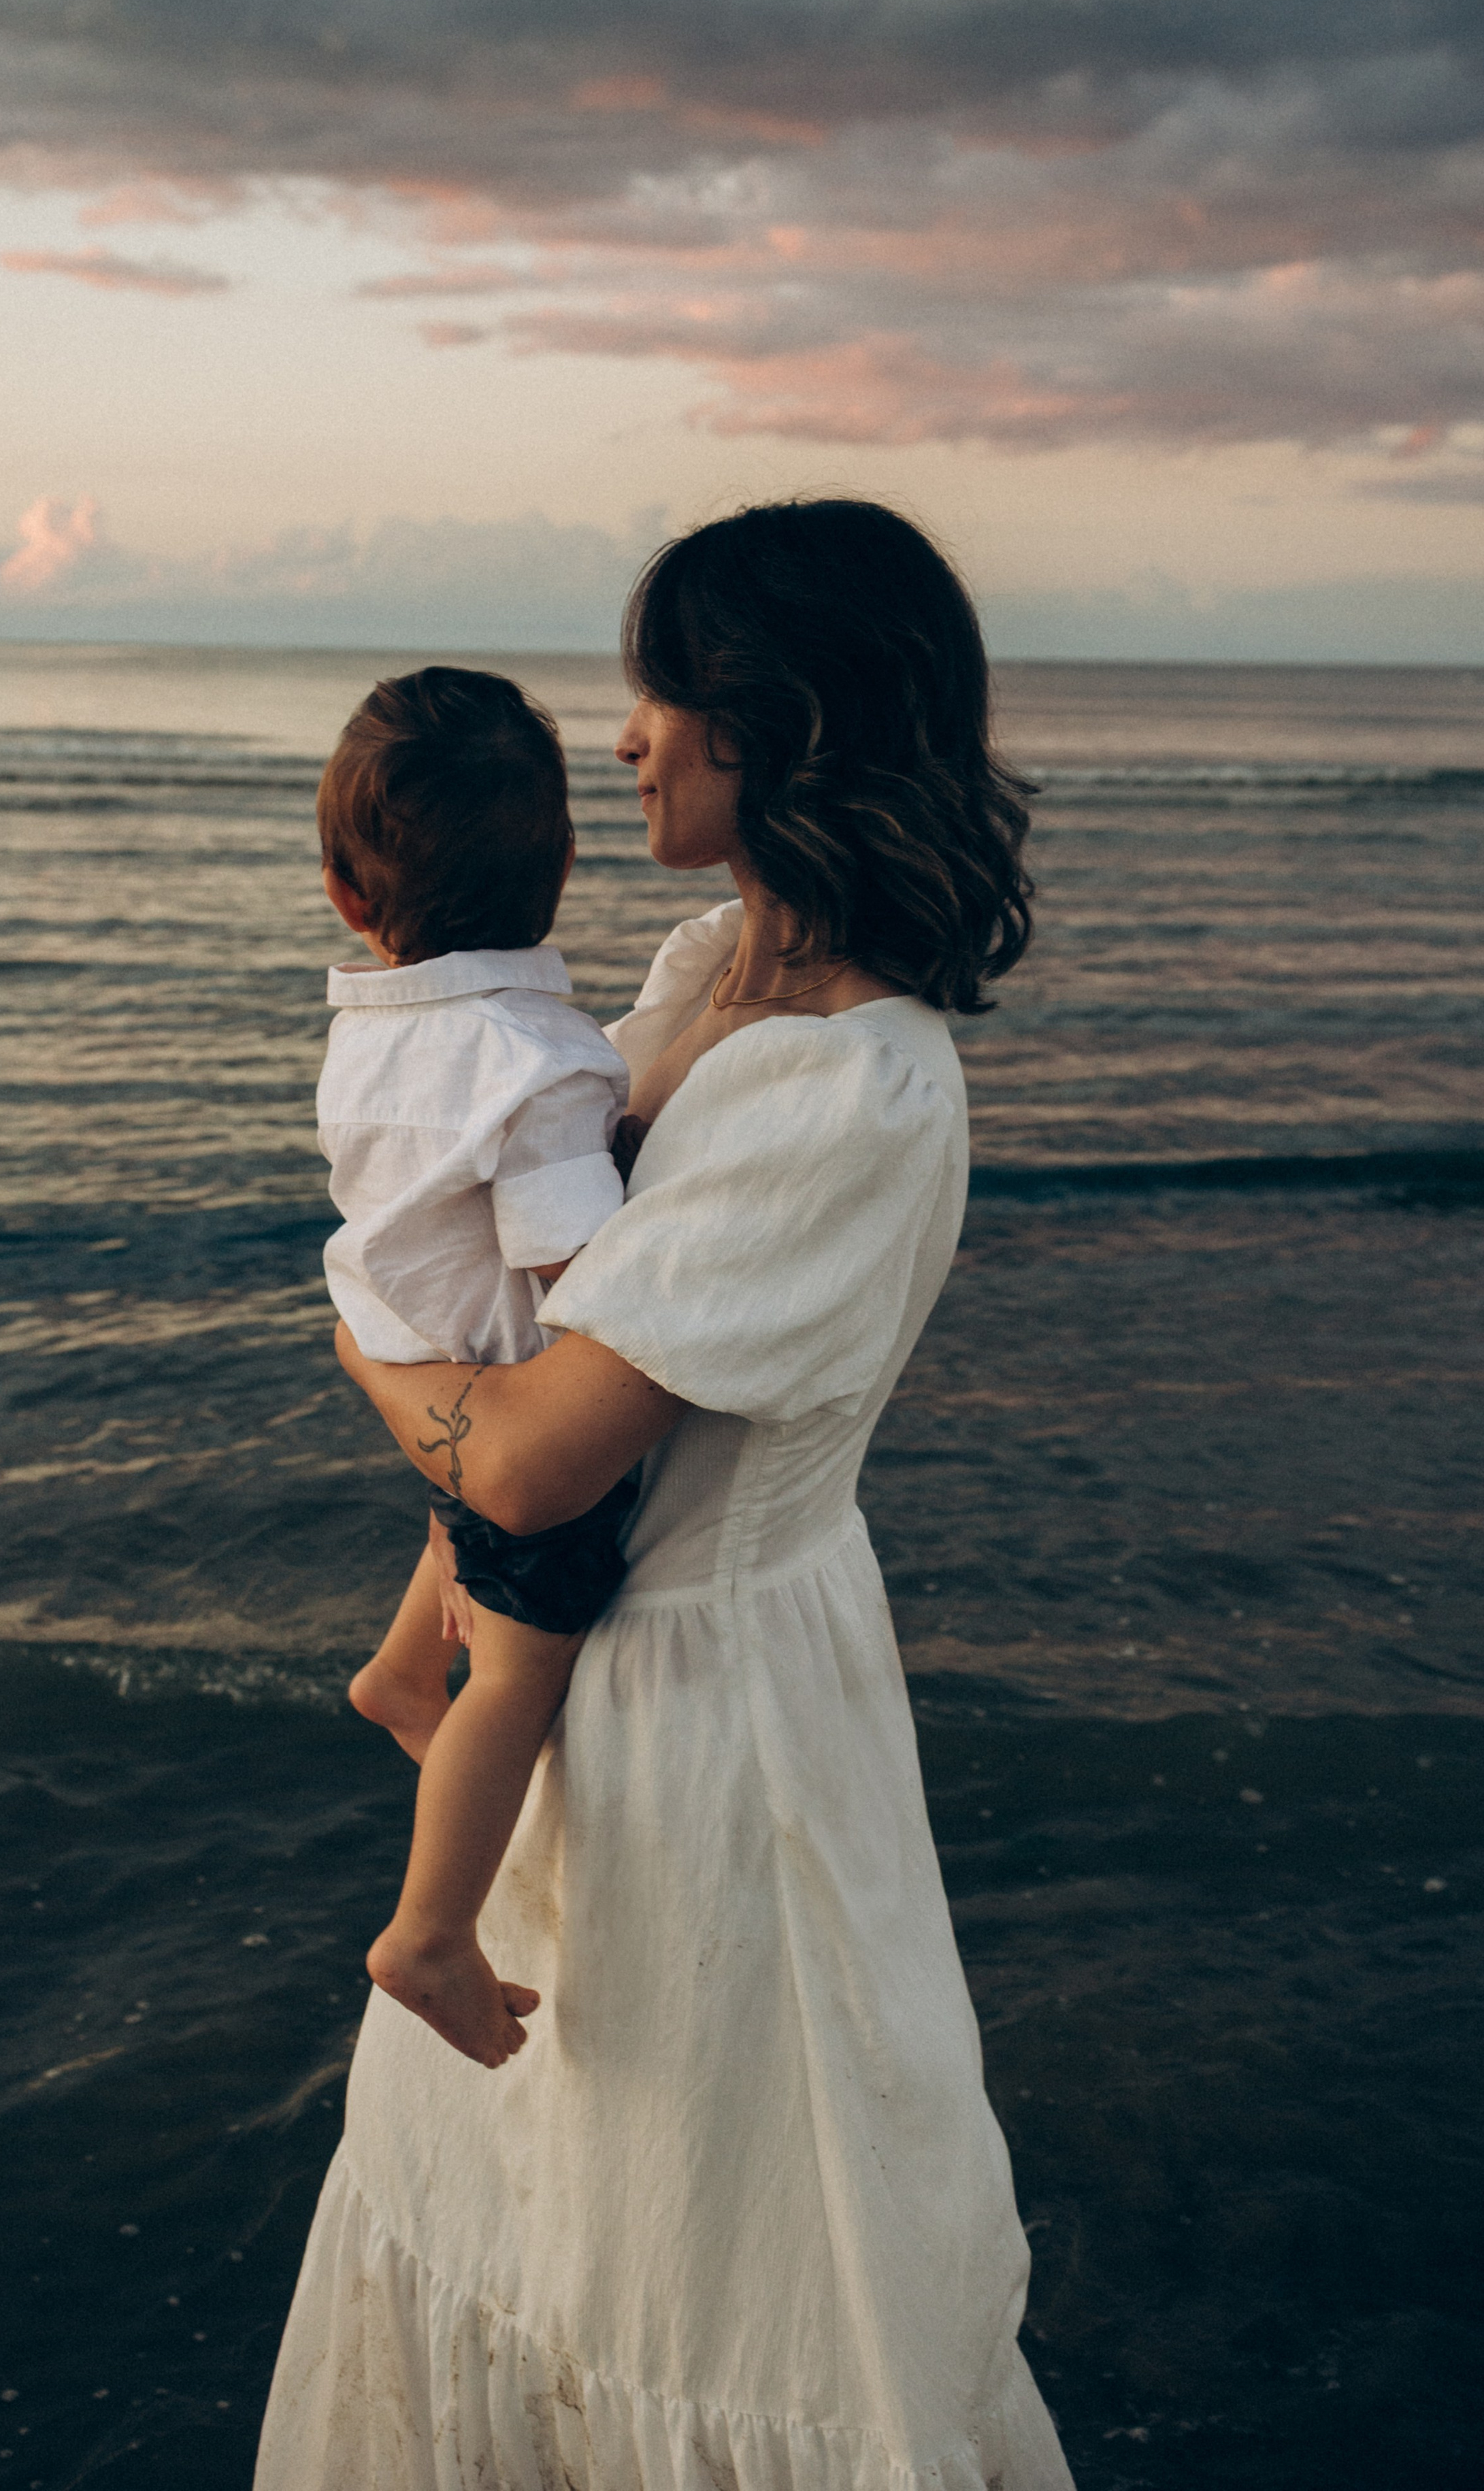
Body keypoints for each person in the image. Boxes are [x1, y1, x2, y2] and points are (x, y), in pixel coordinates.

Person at [258, 501, 1076, 2490]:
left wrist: (356, 1329)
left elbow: (534, 1443)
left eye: (665, 693)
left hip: (715, 1734)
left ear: (777, 723)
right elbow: (540, 1253)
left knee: (714, 2275)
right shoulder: (712, 965)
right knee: (518, 2215)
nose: (622, 737)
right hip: (567, 1692)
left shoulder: (857, 1089)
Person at [316, 666, 637, 2068]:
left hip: (403, 1329)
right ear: (564, 864)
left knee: (459, 1513)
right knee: (517, 1665)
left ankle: (396, 1672)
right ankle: (430, 1928)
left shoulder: (372, 1029)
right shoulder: (538, 1060)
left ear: (344, 890)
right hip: (495, 1375)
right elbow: (586, 1274)